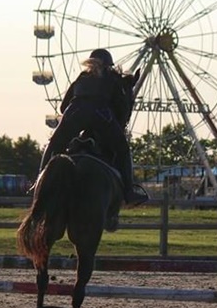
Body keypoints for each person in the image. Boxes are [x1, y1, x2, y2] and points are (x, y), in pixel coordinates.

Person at [38, 48, 148, 206]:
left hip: (74, 113)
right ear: (108, 65)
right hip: (100, 115)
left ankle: (39, 184)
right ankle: (129, 192)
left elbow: (63, 107)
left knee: (53, 145)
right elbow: (121, 109)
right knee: (123, 149)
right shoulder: (113, 79)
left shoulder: (81, 78)